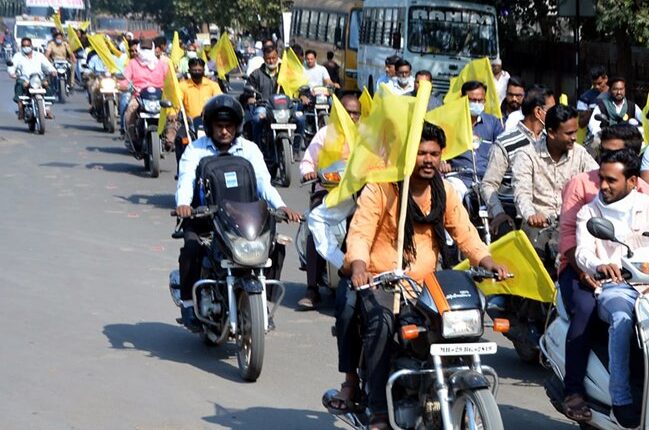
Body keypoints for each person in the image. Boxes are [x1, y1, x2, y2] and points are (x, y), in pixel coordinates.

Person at [327, 122, 510, 429]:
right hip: (380, 280)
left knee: (460, 326)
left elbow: (465, 233)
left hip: (426, 286)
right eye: (421, 153)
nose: (428, 160)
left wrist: (487, 261)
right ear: (407, 154)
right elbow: (360, 233)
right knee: (381, 322)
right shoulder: (381, 188)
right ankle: (376, 405)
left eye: (434, 154)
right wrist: (358, 266)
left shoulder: (444, 192)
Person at [557, 125, 649, 423]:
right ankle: (574, 390)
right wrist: (586, 270)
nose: (604, 182)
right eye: (604, 152)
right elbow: (569, 237)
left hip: (638, 278)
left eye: (616, 153)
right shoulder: (581, 185)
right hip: (581, 271)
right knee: (586, 309)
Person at [174, 95, 301, 330]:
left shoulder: (249, 149)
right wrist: (184, 205)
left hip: (245, 219)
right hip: (205, 217)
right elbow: (186, 179)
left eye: (229, 126)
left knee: (274, 246)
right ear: (210, 126)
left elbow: (264, 183)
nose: (224, 131)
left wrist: (281, 206)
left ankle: (262, 303)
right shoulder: (196, 149)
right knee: (191, 247)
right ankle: (189, 304)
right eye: (219, 126)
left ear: (237, 126)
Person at [575, 149, 649, 428]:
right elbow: (582, 252)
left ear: (632, 181)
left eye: (611, 180)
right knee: (622, 319)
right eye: (601, 179)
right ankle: (620, 398)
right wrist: (599, 265)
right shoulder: (590, 212)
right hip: (615, 288)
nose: (603, 186)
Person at [297, 94, 361, 309]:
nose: (351, 116)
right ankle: (312, 287)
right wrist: (308, 172)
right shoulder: (326, 134)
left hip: (357, 196)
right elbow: (308, 161)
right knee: (313, 227)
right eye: (347, 112)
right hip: (326, 193)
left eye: (356, 113)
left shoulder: (364, 136)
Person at [481, 86, 555, 230]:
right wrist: (499, 213)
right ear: (538, 112)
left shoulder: (550, 141)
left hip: (546, 215)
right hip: (513, 214)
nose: (556, 115)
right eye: (552, 110)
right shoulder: (505, 143)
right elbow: (488, 185)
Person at [513, 104, 598, 228]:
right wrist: (531, 215)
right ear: (551, 133)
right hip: (538, 228)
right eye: (569, 133)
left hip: (572, 226)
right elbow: (521, 193)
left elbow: (598, 180)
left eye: (575, 132)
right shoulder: (527, 155)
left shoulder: (580, 153)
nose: (574, 138)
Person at [442, 80, 504, 199]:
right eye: (472, 100)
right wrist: (443, 162)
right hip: (459, 177)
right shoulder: (450, 122)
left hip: (487, 179)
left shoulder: (493, 123)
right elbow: (439, 148)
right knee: (452, 193)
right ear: (462, 99)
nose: (476, 103)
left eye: (480, 100)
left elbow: (503, 150)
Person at [120, 39, 170, 150]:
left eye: (148, 49)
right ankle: (131, 137)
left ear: (153, 49)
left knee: (172, 113)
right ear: (139, 49)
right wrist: (122, 85)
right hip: (139, 96)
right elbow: (125, 80)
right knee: (130, 111)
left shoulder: (161, 64)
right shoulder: (132, 63)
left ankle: (168, 140)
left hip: (160, 97)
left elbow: (169, 80)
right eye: (143, 49)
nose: (146, 51)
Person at [9, 37, 56, 120]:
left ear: (31, 46)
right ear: (21, 46)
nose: (26, 47)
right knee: (19, 84)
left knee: (47, 85)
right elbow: (12, 66)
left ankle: (47, 109)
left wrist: (53, 71)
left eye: (28, 45)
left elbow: (48, 65)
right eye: (24, 46)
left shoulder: (39, 55)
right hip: (25, 79)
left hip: (38, 79)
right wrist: (12, 73)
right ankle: (21, 108)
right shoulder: (18, 56)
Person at [577, 65, 608, 130]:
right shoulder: (585, 98)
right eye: (594, 84)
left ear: (606, 79)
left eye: (599, 83)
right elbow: (581, 124)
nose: (596, 86)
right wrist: (592, 111)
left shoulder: (614, 94)